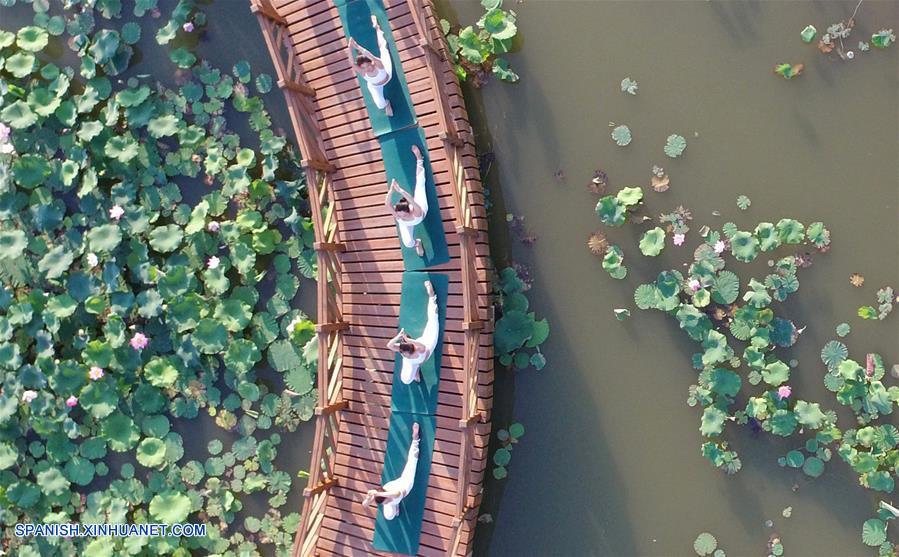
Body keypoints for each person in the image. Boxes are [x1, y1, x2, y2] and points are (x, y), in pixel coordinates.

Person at [362, 422, 420, 520]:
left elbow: (395, 493)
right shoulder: (385, 497)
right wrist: (368, 499)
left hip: (405, 482)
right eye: (385, 503)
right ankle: (395, 506)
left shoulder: (394, 495)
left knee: (412, 461)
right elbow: (364, 505)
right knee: (389, 517)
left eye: (386, 502)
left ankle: (415, 439)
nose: (386, 503)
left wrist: (377, 494)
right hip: (393, 493)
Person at [387, 280, 438, 384]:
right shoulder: (403, 349)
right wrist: (398, 337)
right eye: (403, 353)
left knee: (433, 319)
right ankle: (415, 369)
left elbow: (422, 346)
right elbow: (389, 345)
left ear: (412, 350)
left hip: (428, 343)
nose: (403, 355)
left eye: (405, 354)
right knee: (406, 380)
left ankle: (431, 296)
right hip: (413, 361)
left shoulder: (420, 349)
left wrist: (409, 340)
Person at [347, 15, 394, 117]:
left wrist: (357, 47)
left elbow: (370, 56)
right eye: (363, 67)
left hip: (387, 74)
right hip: (375, 85)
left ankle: (377, 28)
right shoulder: (363, 72)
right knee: (380, 105)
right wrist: (349, 48)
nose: (367, 69)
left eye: (367, 65)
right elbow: (351, 63)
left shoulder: (378, 64)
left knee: (383, 47)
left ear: (371, 63)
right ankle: (387, 104)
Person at [384, 144, 427, 256]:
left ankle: (419, 159)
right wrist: (391, 191)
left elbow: (412, 201)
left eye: (403, 215)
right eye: (399, 215)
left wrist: (400, 190)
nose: (400, 217)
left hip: (421, 206)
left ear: (409, 211)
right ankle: (418, 243)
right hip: (408, 221)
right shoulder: (398, 216)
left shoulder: (417, 212)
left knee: (420, 183)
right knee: (408, 243)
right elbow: (387, 204)